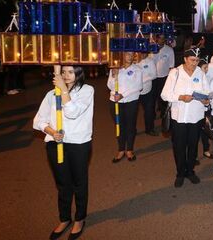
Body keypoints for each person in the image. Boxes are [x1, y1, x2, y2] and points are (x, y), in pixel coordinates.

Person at [33, 66, 94, 240]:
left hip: (78, 143)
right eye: (63, 72)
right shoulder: (51, 94)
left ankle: (80, 218)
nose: (66, 76)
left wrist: (64, 91)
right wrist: (51, 131)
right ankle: (64, 218)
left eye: (70, 72)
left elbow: (73, 112)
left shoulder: (87, 90)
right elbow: (38, 120)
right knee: (62, 183)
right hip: (55, 144)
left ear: (79, 73)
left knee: (79, 182)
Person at [161, 47, 210, 187]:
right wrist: (180, 97)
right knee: (179, 146)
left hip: (196, 116)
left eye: (197, 60)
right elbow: (164, 94)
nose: (194, 63)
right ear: (184, 59)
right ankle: (180, 172)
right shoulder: (175, 73)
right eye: (192, 60)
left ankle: (190, 171)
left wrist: (206, 99)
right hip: (180, 117)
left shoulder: (200, 73)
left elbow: (206, 91)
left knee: (193, 145)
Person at [107, 52, 143, 163]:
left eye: (132, 55)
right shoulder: (115, 67)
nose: (130, 56)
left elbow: (138, 86)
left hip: (131, 101)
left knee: (130, 126)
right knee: (119, 126)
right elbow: (110, 86)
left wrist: (123, 94)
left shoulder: (137, 69)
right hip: (115, 102)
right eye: (128, 54)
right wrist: (114, 76)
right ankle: (121, 149)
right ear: (122, 55)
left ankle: (130, 150)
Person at [134, 52, 158, 136]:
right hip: (134, 91)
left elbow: (154, 75)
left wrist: (141, 81)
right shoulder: (133, 61)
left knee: (149, 111)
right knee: (133, 112)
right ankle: (132, 130)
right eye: (141, 53)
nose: (143, 55)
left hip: (148, 90)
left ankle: (149, 129)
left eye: (145, 53)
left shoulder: (150, 61)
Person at [152, 34, 175, 117]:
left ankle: (163, 114)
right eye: (160, 38)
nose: (161, 40)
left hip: (164, 77)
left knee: (163, 97)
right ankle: (152, 114)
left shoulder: (169, 50)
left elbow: (171, 66)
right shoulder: (151, 49)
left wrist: (170, 79)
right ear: (156, 38)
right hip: (152, 78)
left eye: (163, 38)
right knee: (152, 98)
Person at [197, 55, 213, 159]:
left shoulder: (208, 78)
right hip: (197, 110)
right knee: (196, 132)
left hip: (207, 108)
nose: (207, 70)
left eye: (207, 67)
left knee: (206, 129)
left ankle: (206, 149)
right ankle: (193, 156)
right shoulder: (195, 80)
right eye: (204, 68)